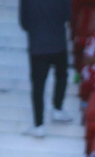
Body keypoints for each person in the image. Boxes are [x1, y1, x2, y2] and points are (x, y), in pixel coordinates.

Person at [19, 0, 70, 138]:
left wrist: (37, 29)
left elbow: (23, 22)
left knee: (38, 86)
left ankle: (39, 125)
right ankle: (57, 108)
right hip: (58, 41)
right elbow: (67, 15)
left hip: (38, 45)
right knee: (61, 75)